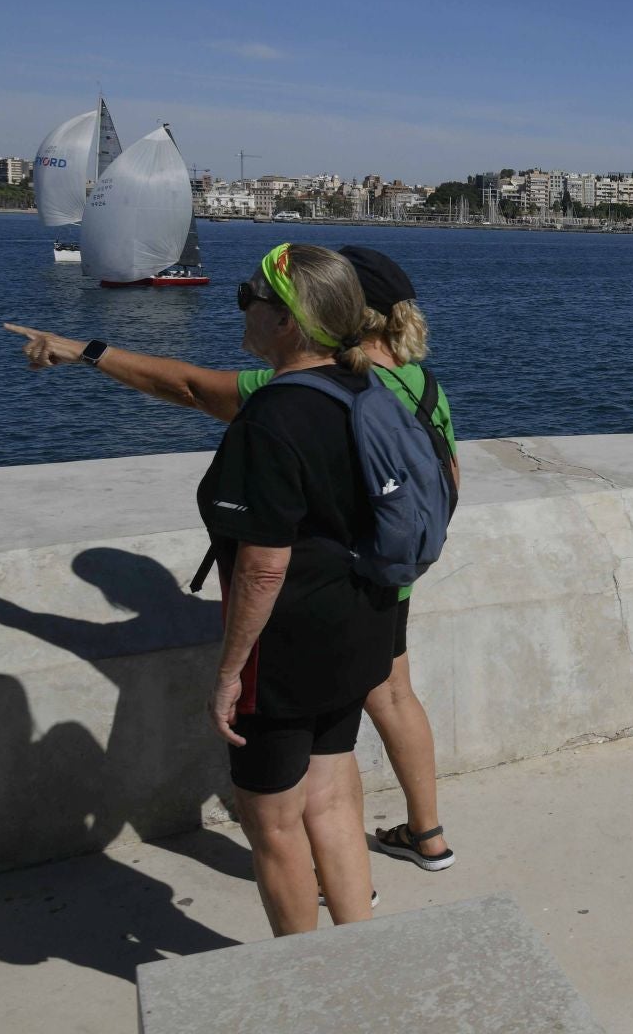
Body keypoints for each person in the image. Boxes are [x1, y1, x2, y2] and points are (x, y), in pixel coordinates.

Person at [4, 246, 458, 874]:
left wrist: (88, 350)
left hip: (320, 597)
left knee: (318, 763)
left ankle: (325, 880)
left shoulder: (295, 389)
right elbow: (447, 480)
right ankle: (426, 834)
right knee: (392, 700)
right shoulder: (423, 385)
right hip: (391, 579)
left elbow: (190, 387)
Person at [203, 243, 394, 933]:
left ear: (287, 320)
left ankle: (307, 984)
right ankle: (357, 956)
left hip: (284, 648)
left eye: (250, 297)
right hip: (358, 626)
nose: (244, 310)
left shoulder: (272, 416)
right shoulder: (369, 389)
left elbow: (261, 566)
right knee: (334, 796)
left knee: (274, 823)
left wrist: (229, 672)